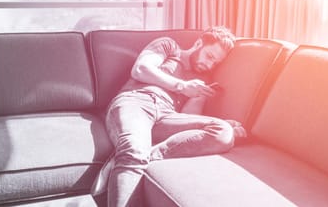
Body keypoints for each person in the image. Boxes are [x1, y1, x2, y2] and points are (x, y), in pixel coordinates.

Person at [91, 26, 246, 207]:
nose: (210, 65)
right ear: (198, 43)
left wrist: (202, 98)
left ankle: (139, 155)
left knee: (223, 131)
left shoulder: (200, 78)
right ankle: (133, 154)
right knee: (134, 149)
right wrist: (181, 86)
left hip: (167, 116)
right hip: (136, 102)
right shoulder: (169, 46)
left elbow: (186, 117)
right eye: (210, 56)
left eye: (215, 63)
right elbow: (140, 69)